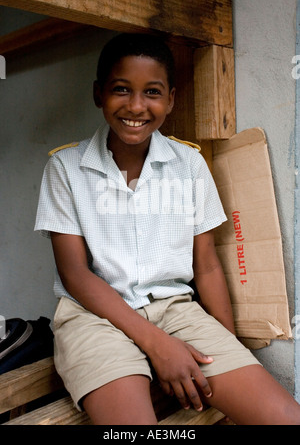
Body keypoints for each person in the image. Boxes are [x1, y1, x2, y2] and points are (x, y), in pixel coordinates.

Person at [35, 33, 300, 425]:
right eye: (121, 89)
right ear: (98, 94)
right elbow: (74, 274)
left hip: (176, 312)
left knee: (285, 417)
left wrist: (228, 345)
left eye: (152, 92)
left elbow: (206, 266)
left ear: (171, 99)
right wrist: (158, 346)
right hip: (95, 317)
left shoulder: (189, 165)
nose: (136, 106)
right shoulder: (66, 168)